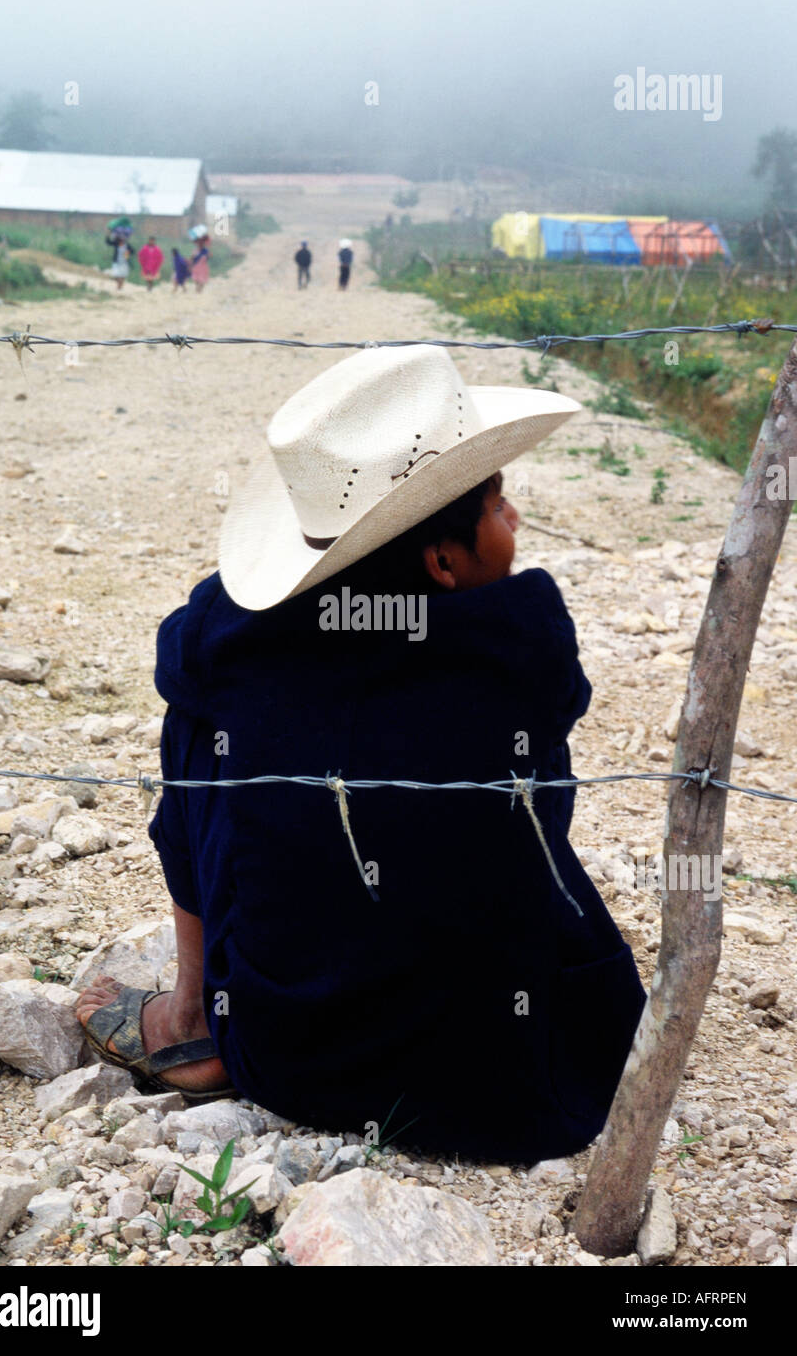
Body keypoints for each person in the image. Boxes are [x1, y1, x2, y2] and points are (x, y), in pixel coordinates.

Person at [76, 346, 646, 1164]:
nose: (514, 520)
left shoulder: (222, 639)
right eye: (498, 501)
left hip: (287, 1056)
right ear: (444, 562)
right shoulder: (526, 648)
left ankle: (195, 1017)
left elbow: (198, 659)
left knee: (198, 729)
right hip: (519, 1077)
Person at [105, 224, 134, 291]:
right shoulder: (116, 244)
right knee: (115, 275)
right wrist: (108, 234)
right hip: (117, 262)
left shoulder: (127, 245)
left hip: (124, 262)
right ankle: (119, 286)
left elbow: (133, 251)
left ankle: (119, 288)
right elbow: (108, 242)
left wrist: (128, 253)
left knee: (122, 276)